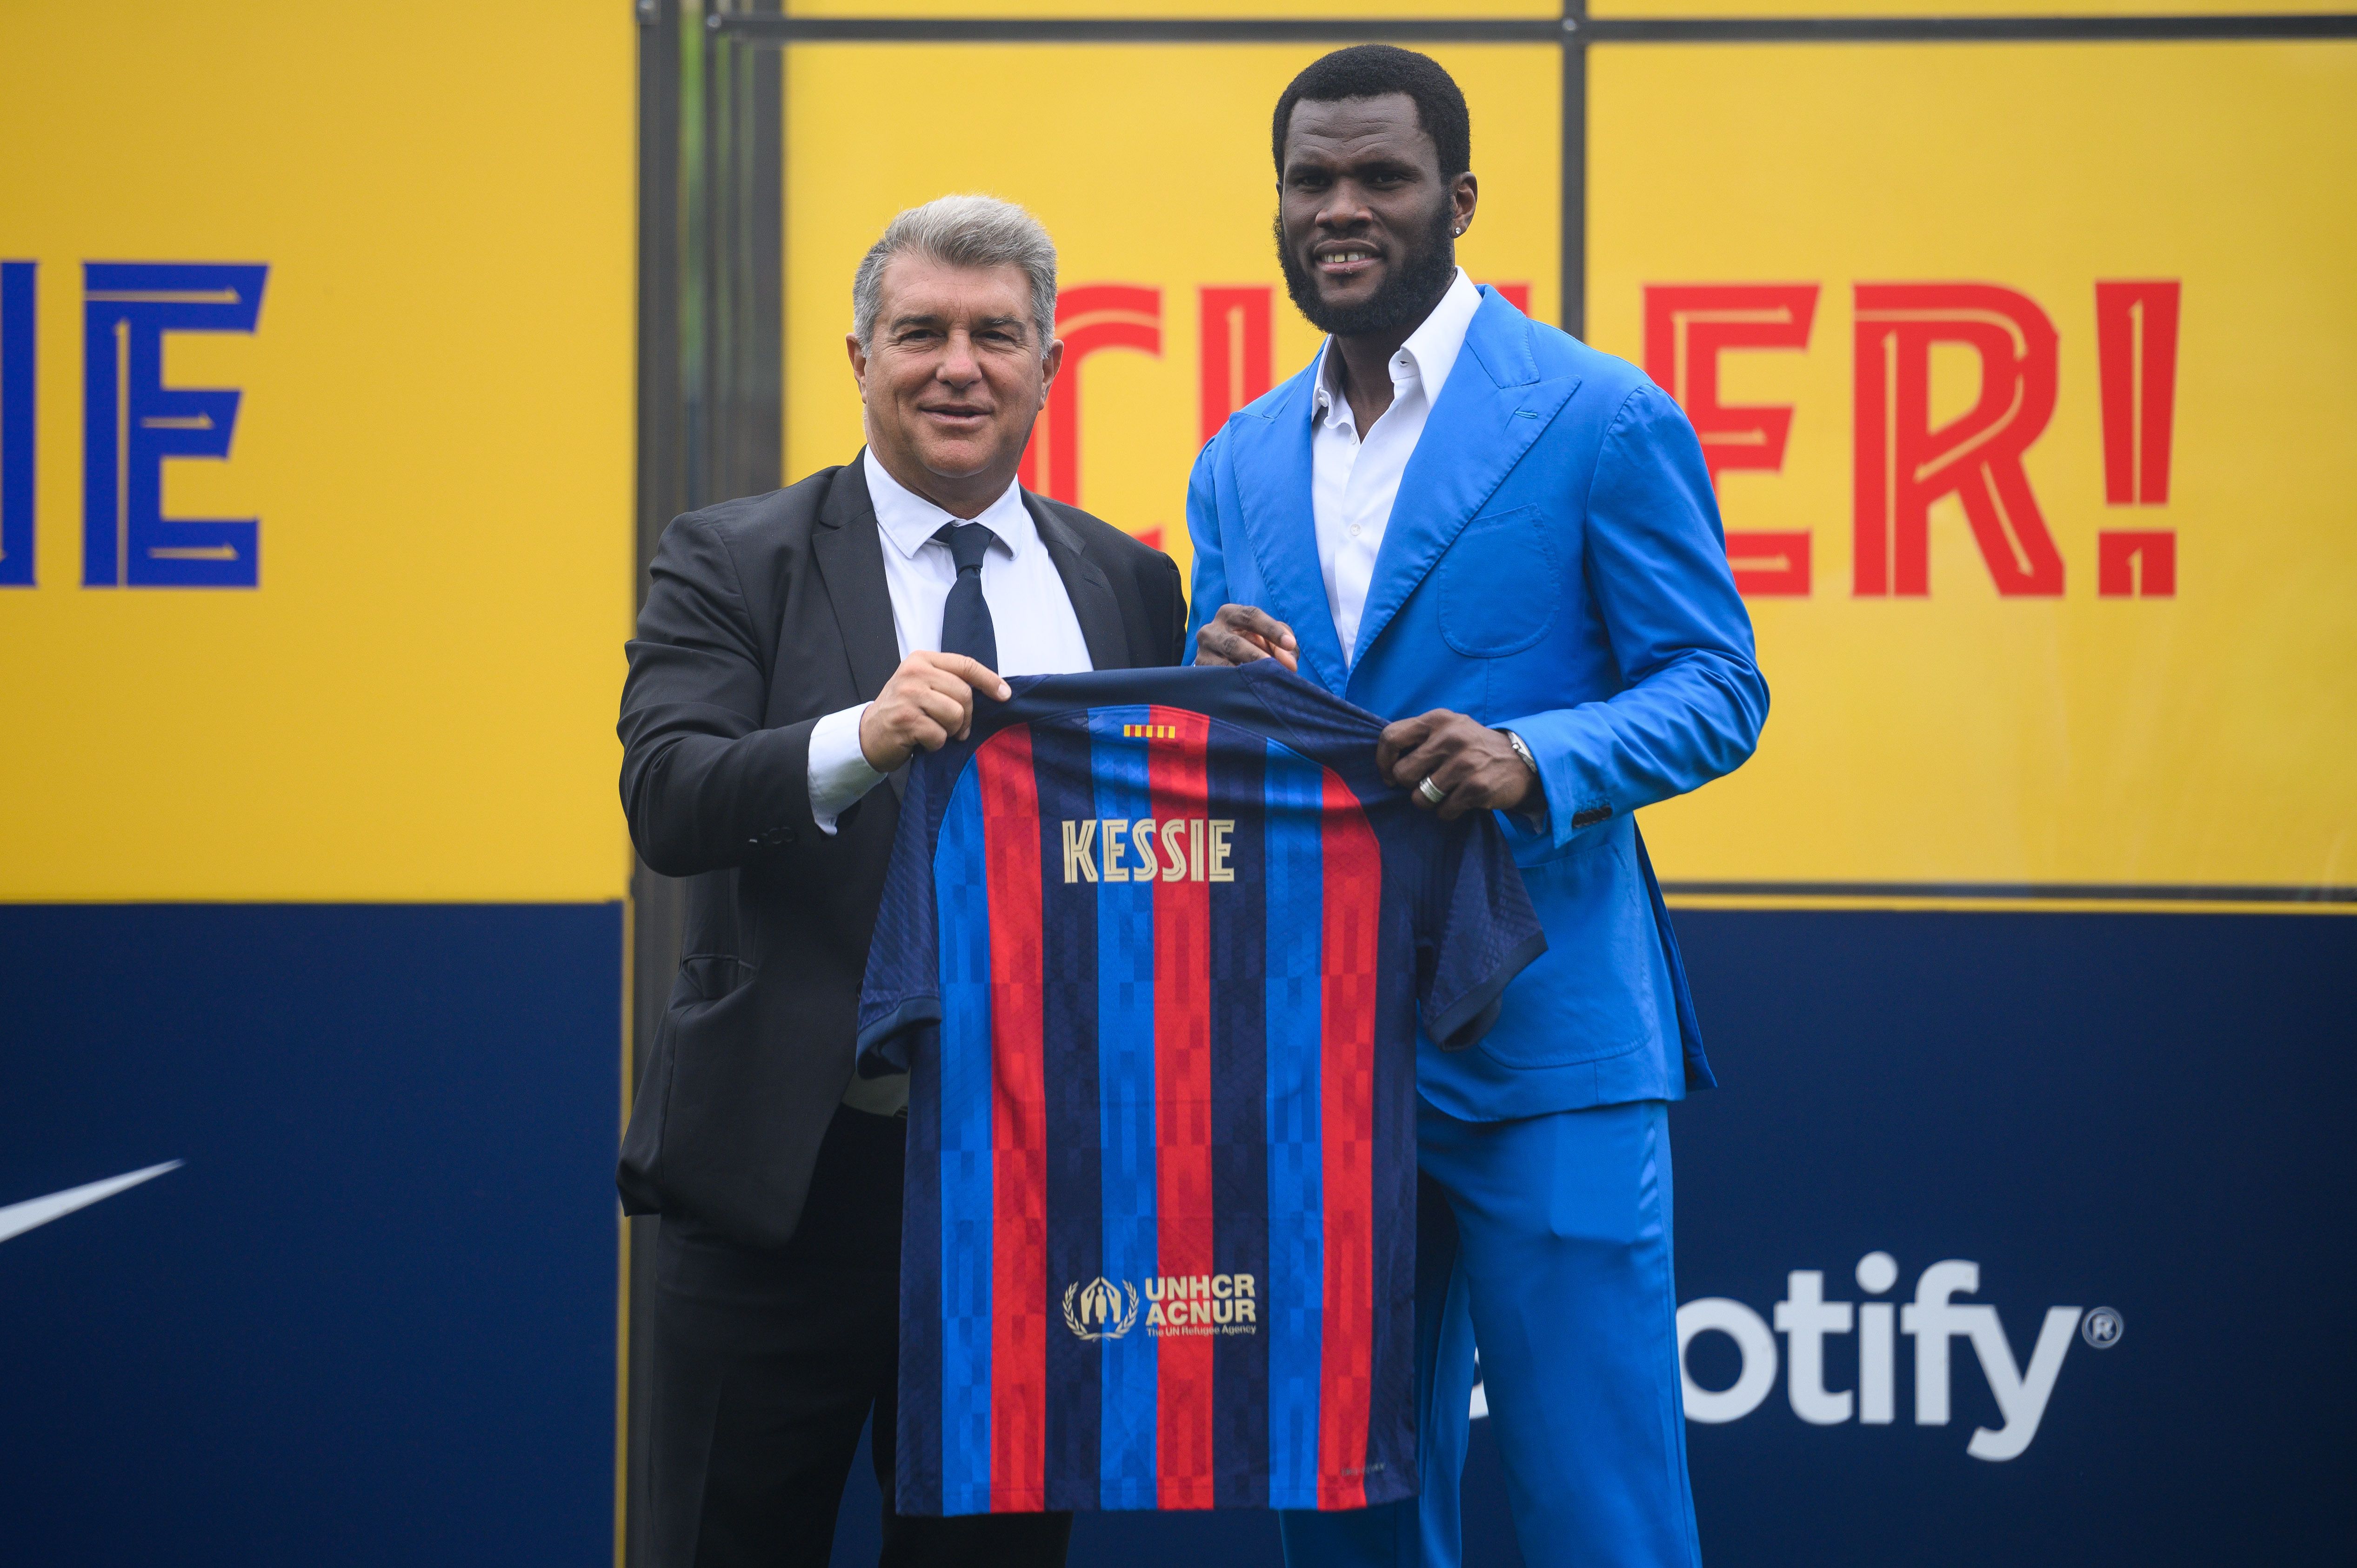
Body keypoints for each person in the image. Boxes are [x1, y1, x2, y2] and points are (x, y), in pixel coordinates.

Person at [1188, 47, 1768, 1568]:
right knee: (1351, 1509)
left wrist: (1537, 754)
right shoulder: (1236, 458)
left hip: (1548, 1041)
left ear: (1457, 199)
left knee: (1599, 1505)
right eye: (1310, 181)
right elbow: (1232, 738)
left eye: (1379, 177)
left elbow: (1718, 686)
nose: (1341, 208)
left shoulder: (1597, 413)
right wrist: (1210, 674)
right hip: (1317, 1052)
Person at [617, 194, 1186, 1568]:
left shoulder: (1129, 581)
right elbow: (668, 797)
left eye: (997, 335)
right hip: (787, 1185)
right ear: (858, 358)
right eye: (919, 331)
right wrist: (854, 739)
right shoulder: (732, 554)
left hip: (1030, 1198)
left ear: (1050, 364)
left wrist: (1228, 698)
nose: (958, 366)